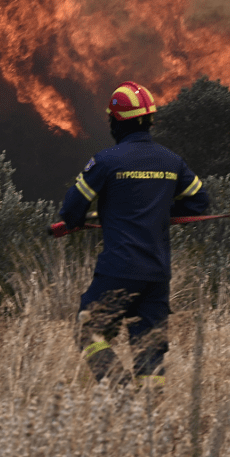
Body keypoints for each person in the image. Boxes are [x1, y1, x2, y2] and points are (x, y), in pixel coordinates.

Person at [54, 81, 209, 390]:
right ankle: (149, 418)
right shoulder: (171, 161)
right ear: (149, 120)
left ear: (117, 122)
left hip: (120, 269)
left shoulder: (106, 162)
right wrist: (162, 209)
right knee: (149, 350)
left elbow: (71, 212)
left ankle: (119, 390)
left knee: (87, 330)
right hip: (156, 274)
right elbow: (199, 203)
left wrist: (95, 215)